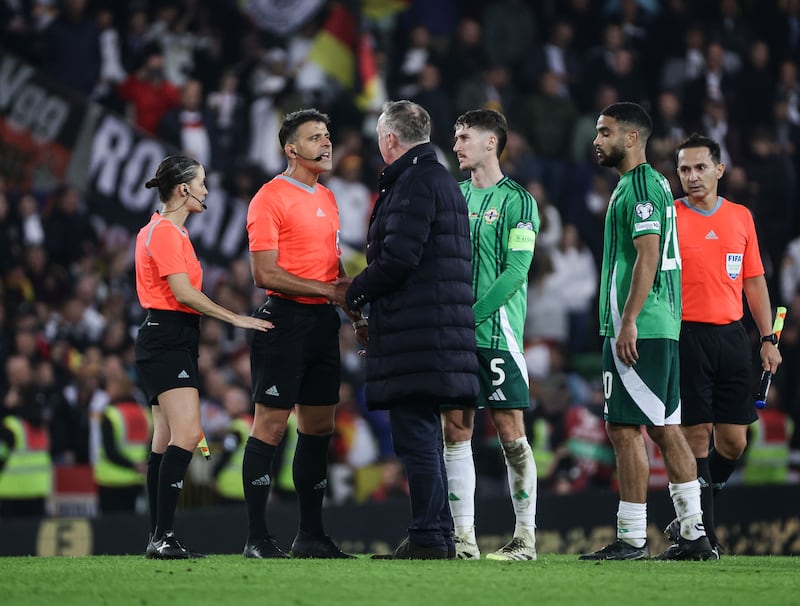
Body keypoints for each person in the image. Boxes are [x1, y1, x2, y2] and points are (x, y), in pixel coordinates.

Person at [334, 100, 479, 560]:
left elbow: (398, 260)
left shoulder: (416, 182)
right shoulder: (439, 181)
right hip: (435, 330)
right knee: (424, 436)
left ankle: (428, 537)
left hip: (420, 333)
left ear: (390, 139)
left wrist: (353, 292)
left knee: (415, 435)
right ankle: (435, 534)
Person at [578, 102, 713, 561]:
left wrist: (629, 319)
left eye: (604, 132)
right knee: (661, 426)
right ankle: (693, 531)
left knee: (629, 426)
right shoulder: (644, 185)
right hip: (656, 323)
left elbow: (648, 256)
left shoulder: (640, 187)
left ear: (632, 137)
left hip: (642, 324)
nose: (596, 140)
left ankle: (636, 537)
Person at [135, 155, 272, 560]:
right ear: (183, 190)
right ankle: (162, 535)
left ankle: (159, 536)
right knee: (188, 433)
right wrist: (235, 318)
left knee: (164, 438)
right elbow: (183, 294)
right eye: (202, 183)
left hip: (167, 338)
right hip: (167, 338)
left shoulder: (161, 231)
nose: (207, 191)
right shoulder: (165, 234)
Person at [243, 109, 362, 560]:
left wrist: (353, 312)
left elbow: (333, 269)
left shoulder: (329, 198)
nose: (326, 144)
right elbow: (263, 272)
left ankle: (310, 535)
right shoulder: (269, 197)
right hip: (284, 321)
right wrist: (328, 291)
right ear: (291, 149)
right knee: (270, 427)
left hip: (321, 324)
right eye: (315, 138)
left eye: (327, 136)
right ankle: (257, 537)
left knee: (319, 427)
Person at [661, 133, 782, 557]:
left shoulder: (740, 217)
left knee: (733, 441)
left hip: (732, 337)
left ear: (719, 170)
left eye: (699, 168)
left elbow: (753, 280)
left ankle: (692, 512)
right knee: (696, 437)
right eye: (683, 170)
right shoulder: (668, 216)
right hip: (686, 336)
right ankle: (702, 536)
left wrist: (768, 338)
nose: (691, 177)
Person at [443, 109, 540, 561]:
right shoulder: (452, 196)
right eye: (456, 137)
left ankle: (524, 538)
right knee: (455, 430)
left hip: (497, 334)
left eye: (464, 137)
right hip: (457, 337)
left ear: (491, 142)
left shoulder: (519, 201)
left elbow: (516, 272)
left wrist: (470, 316)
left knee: (510, 434)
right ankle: (464, 539)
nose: (457, 144)